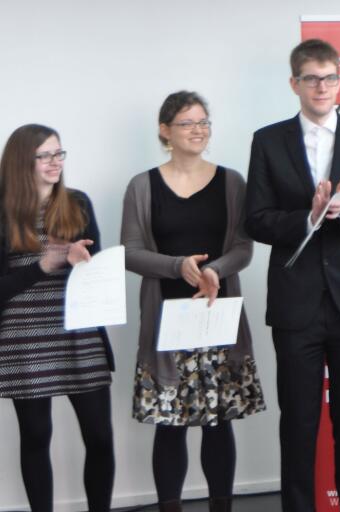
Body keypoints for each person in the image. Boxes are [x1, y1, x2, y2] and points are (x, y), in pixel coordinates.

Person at [121, 91, 265, 512]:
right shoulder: (142, 185)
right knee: (169, 426)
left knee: (218, 423)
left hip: (217, 318)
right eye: (187, 123)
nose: (198, 130)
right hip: (166, 324)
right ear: (165, 131)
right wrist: (177, 266)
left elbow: (243, 248)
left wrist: (213, 270)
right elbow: (129, 252)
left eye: (203, 122)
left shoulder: (231, 182)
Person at [245, 38, 340, 512]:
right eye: (312, 79)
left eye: (330, 78)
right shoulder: (267, 140)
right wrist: (308, 217)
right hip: (295, 304)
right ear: (294, 83)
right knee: (297, 422)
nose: (322, 87)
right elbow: (255, 219)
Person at [0, 124, 114, 512]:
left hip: (79, 333)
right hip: (24, 339)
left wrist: (86, 262)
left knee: (100, 437)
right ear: (21, 161)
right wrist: (43, 266)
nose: (55, 162)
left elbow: (98, 272)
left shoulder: (77, 203)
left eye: (59, 153)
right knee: (36, 437)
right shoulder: (3, 212)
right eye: (45, 155)